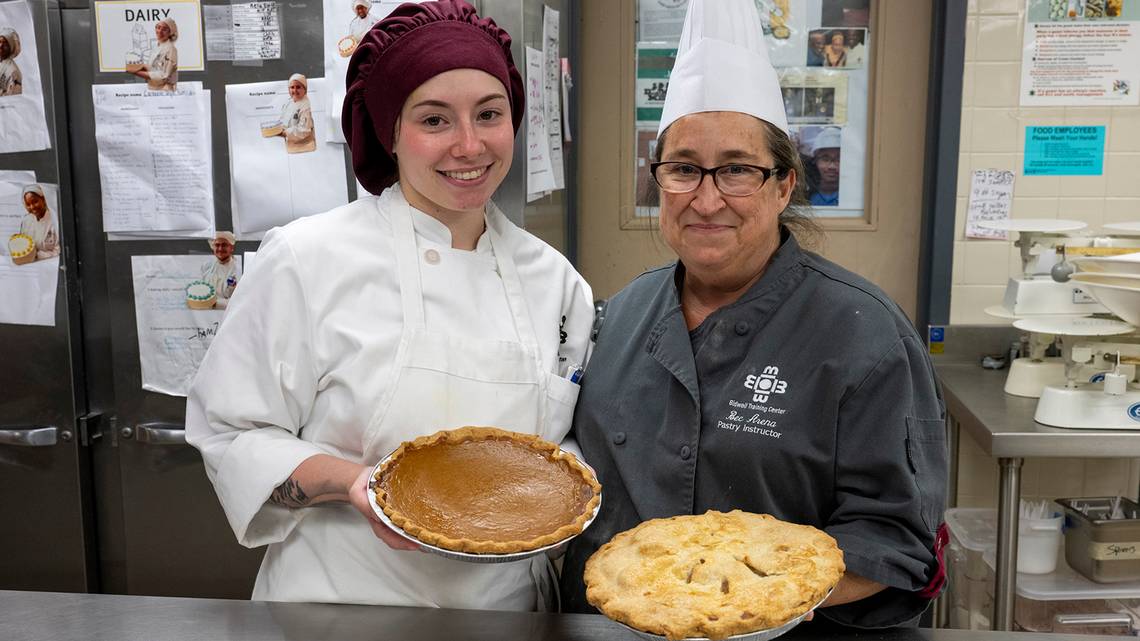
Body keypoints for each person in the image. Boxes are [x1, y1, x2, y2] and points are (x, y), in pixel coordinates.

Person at [186, 0, 593, 610]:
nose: (469, 145)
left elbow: (561, 454)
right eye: (434, 121)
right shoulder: (308, 259)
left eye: (490, 114)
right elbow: (230, 431)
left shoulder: (556, 281)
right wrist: (354, 484)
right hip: (339, 605)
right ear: (389, 133)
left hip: (507, 614)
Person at [559, 0, 946, 629]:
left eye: (737, 170)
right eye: (684, 169)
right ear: (659, 180)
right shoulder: (624, 313)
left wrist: (735, 605)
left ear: (784, 184)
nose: (707, 200)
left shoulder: (864, 333)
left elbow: (895, 537)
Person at [130, 18, 178, 91]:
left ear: (170, 32)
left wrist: (137, 72)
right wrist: (140, 66)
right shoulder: (157, 47)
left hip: (165, 90)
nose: (160, 31)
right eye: (158, 27)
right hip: (153, 88)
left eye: (164, 29)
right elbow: (154, 68)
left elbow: (164, 75)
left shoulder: (171, 49)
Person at [19, 185, 60, 260]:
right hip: (29, 265)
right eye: (28, 204)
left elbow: (59, 252)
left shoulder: (55, 220)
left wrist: (36, 255)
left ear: (43, 199)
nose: (32, 207)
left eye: (35, 202)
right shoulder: (26, 221)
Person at [200, 231, 240, 309]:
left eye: (224, 245)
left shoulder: (239, 269)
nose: (220, 249)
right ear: (213, 247)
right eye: (217, 245)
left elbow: (239, 300)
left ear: (231, 248)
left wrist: (214, 303)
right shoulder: (206, 267)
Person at [279, 74, 316, 153]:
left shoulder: (306, 105)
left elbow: (305, 130)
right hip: (291, 146)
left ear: (305, 89)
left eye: (298, 87)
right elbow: (282, 119)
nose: (294, 90)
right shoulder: (289, 102)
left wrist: (285, 133)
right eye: (292, 87)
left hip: (305, 149)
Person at [809, 126, 841, 206]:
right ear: (815, 161)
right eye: (825, 159)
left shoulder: (853, 197)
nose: (832, 166)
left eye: (838, 159)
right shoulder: (806, 197)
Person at [0, 28, 22, 97]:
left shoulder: (14, 72)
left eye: (5, 44)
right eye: (0, 42)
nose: (1, 46)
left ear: (10, 48)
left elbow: (13, 96)